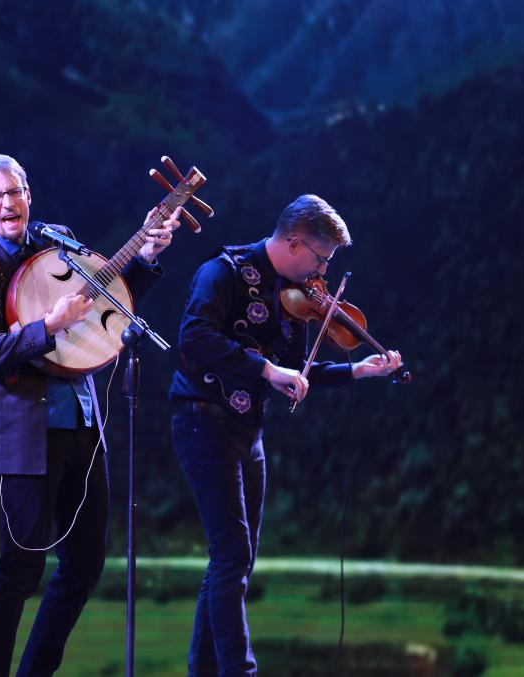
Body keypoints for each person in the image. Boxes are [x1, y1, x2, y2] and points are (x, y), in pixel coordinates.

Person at [0, 154, 180, 676]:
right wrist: (48, 326)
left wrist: (145, 254)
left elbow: (106, 303)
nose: (8, 203)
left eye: (15, 191)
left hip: (82, 421)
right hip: (26, 430)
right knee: (20, 569)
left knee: (84, 567)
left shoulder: (57, 243)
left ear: (28, 195)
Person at [168, 194, 403, 676]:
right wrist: (265, 369)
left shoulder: (295, 298)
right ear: (295, 242)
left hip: (248, 429)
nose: (322, 274)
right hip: (203, 419)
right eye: (321, 259)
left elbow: (297, 372)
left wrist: (357, 370)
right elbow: (194, 337)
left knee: (235, 560)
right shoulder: (224, 272)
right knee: (232, 555)